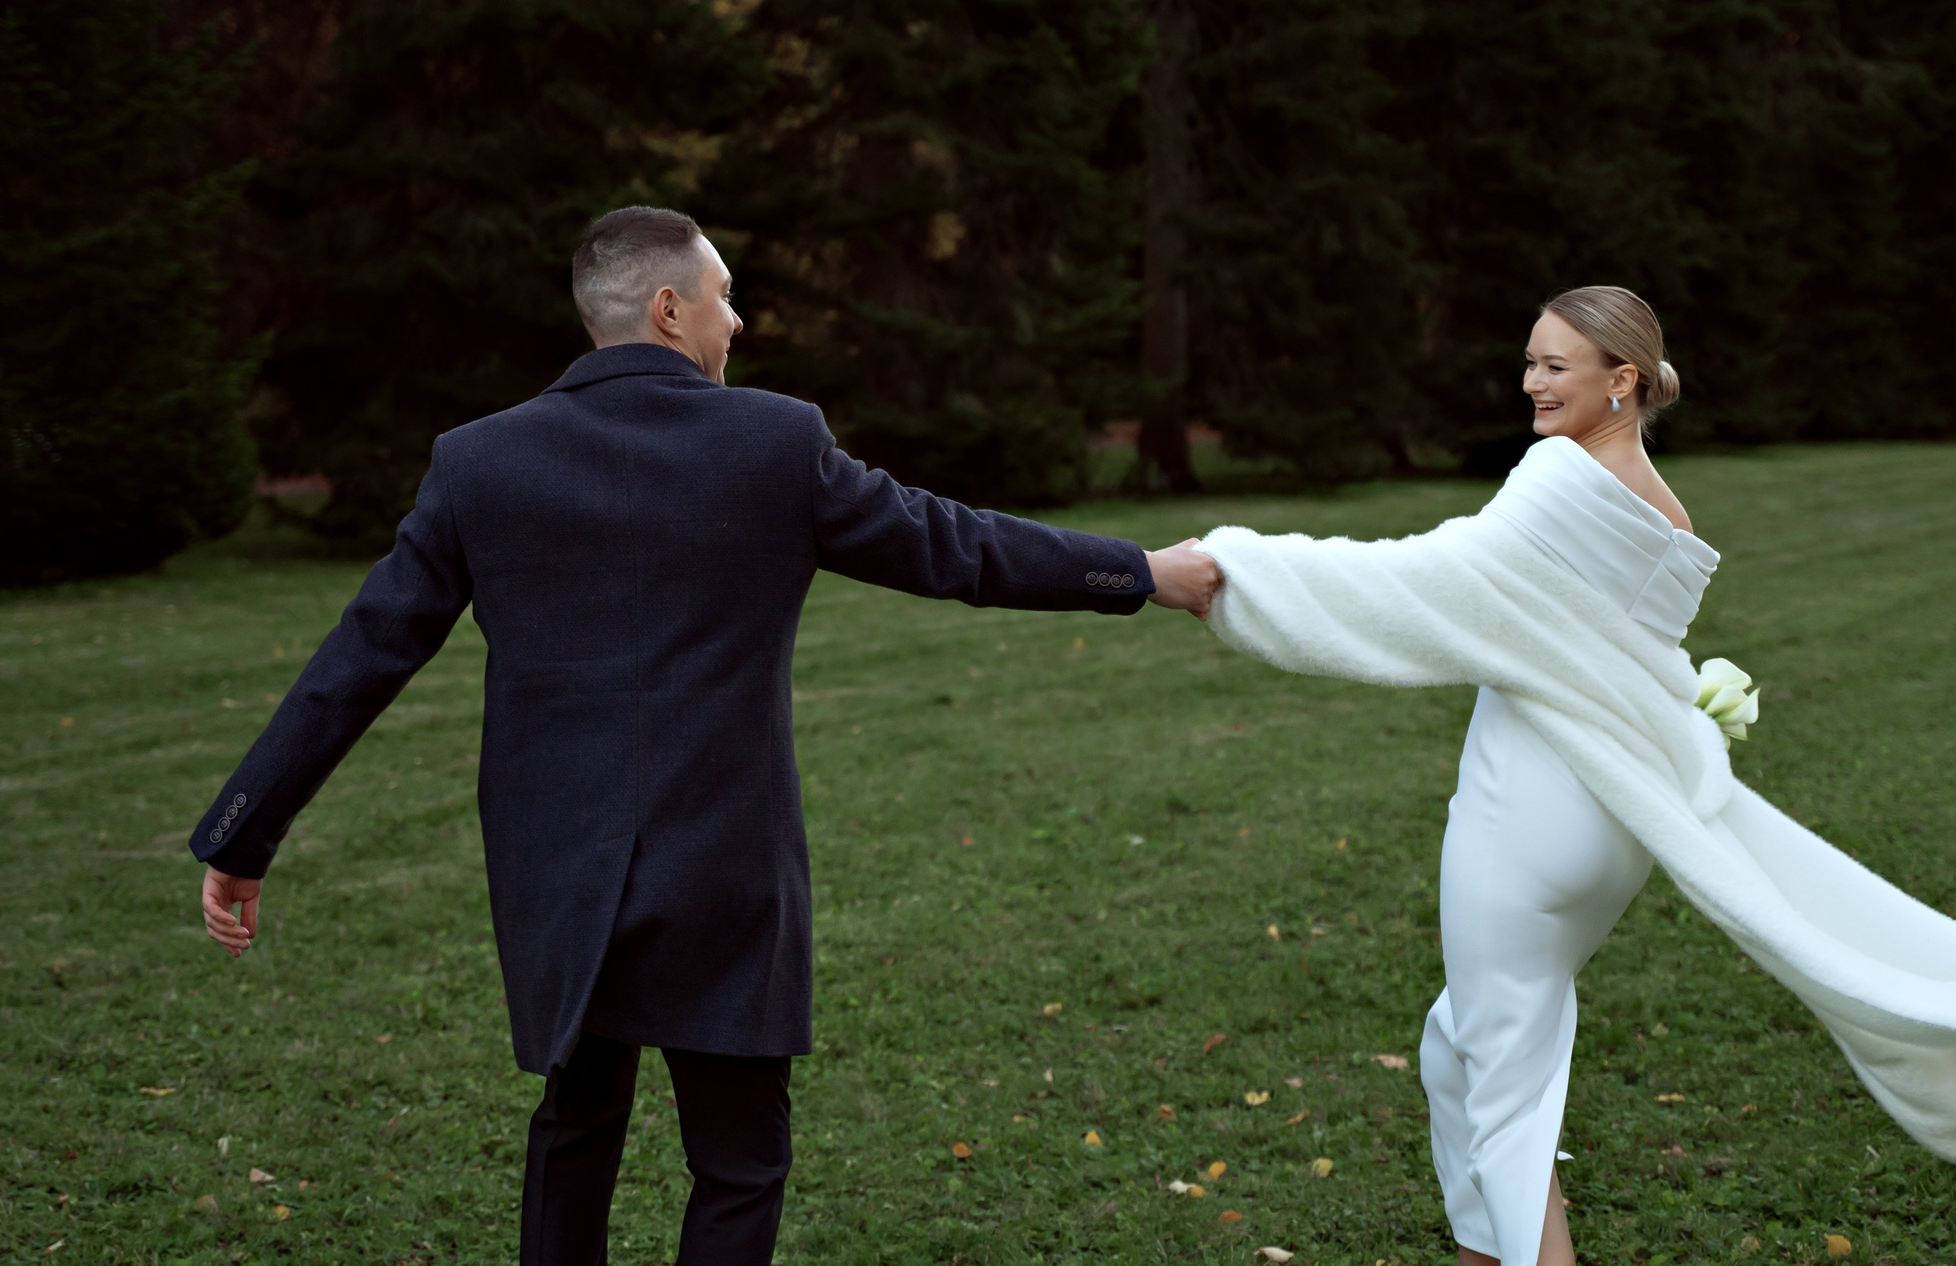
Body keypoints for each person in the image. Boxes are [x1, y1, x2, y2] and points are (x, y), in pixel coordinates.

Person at [187, 206, 1222, 1266]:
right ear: (669, 307)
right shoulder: (775, 442)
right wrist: (1140, 572)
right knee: (737, 1163)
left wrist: (241, 833)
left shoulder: (477, 461)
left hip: (561, 868)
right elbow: (952, 545)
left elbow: (357, 662)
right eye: (725, 297)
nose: (738, 320)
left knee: (575, 1132)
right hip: (723, 862)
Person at [1189, 286, 1956, 1266]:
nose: (1531, 382)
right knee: (1465, 1046)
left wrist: (1229, 572)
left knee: (1501, 1086)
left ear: (1621, 380)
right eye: (1529, 362)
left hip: (1525, 807)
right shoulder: (1662, 507)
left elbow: (1427, 581)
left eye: (1554, 365)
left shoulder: (1556, 479)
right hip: (1605, 820)